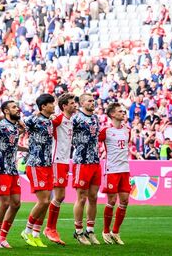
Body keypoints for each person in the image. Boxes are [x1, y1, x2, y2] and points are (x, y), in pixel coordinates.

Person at [0, 100, 27, 249]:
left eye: (17, 106)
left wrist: (26, 149)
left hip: (12, 168)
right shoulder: (0, 125)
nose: (17, 109)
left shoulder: (14, 127)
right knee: (4, 203)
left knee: (16, 203)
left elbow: (12, 144)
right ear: (6, 111)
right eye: (13, 107)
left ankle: (3, 236)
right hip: (1, 168)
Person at [21, 93, 56, 248]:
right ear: (43, 106)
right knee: (43, 201)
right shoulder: (34, 120)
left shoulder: (50, 121)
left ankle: (36, 234)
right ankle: (27, 230)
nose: (54, 106)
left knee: (47, 201)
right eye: (51, 103)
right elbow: (20, 125)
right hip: (36, 164)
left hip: (47, 164)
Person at [44, 93, 77, 245]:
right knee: (58, 196)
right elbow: (45, 123)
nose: (75, 105)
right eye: (72, 103)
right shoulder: (58, 119)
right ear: (64, 106)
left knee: (59, 197)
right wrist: (49, 117)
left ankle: (47, 228)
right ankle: (49, 228)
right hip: (56, 160)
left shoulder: (71, 121)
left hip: (64, 161)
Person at [71, 93, 102, 245]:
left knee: (93, 197)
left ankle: (90, 230)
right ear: (82, 103)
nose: (92, 103)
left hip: (95, 161)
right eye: (89, 101)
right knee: (81, 197)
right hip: (81, 161)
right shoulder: (75, 118)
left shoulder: (96, 118)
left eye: (93, 101)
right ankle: (78, 231)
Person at [99, 103, 131, 245]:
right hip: (112, 170)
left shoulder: (127, 130)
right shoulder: (105, 131)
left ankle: (115, 232)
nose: (123, 113)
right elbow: (95, 142)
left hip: (125, 169)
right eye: (120, 111)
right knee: (111, 201)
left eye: (123, 111)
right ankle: (105, 231)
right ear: (112, 114)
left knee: (124, 201)